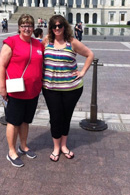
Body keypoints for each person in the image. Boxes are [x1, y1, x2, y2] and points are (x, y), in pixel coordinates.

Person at [42, 15, 94, 162]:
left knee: (66, 117)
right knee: (55, 117)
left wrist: (82, 72)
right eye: (54, 26)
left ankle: (64, 145)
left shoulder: (72, 42)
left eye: (59, 26)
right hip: (50, 87)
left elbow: (90, 54)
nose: (57, 28)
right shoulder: (47, 41)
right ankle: (56, 147)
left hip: (71, 88)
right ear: (51, 28)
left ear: (65, 26)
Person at [0, 14, 44, 168]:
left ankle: (23, 146)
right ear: (19, 27)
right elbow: (2, 66)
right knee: (13, 121)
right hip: (15, 90)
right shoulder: (11, 42)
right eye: (24, 25)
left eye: (30, 25)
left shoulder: (37, 44)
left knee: (25, 121)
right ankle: (11, 151)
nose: (27, 28)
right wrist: (2, 87)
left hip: (32, 90)